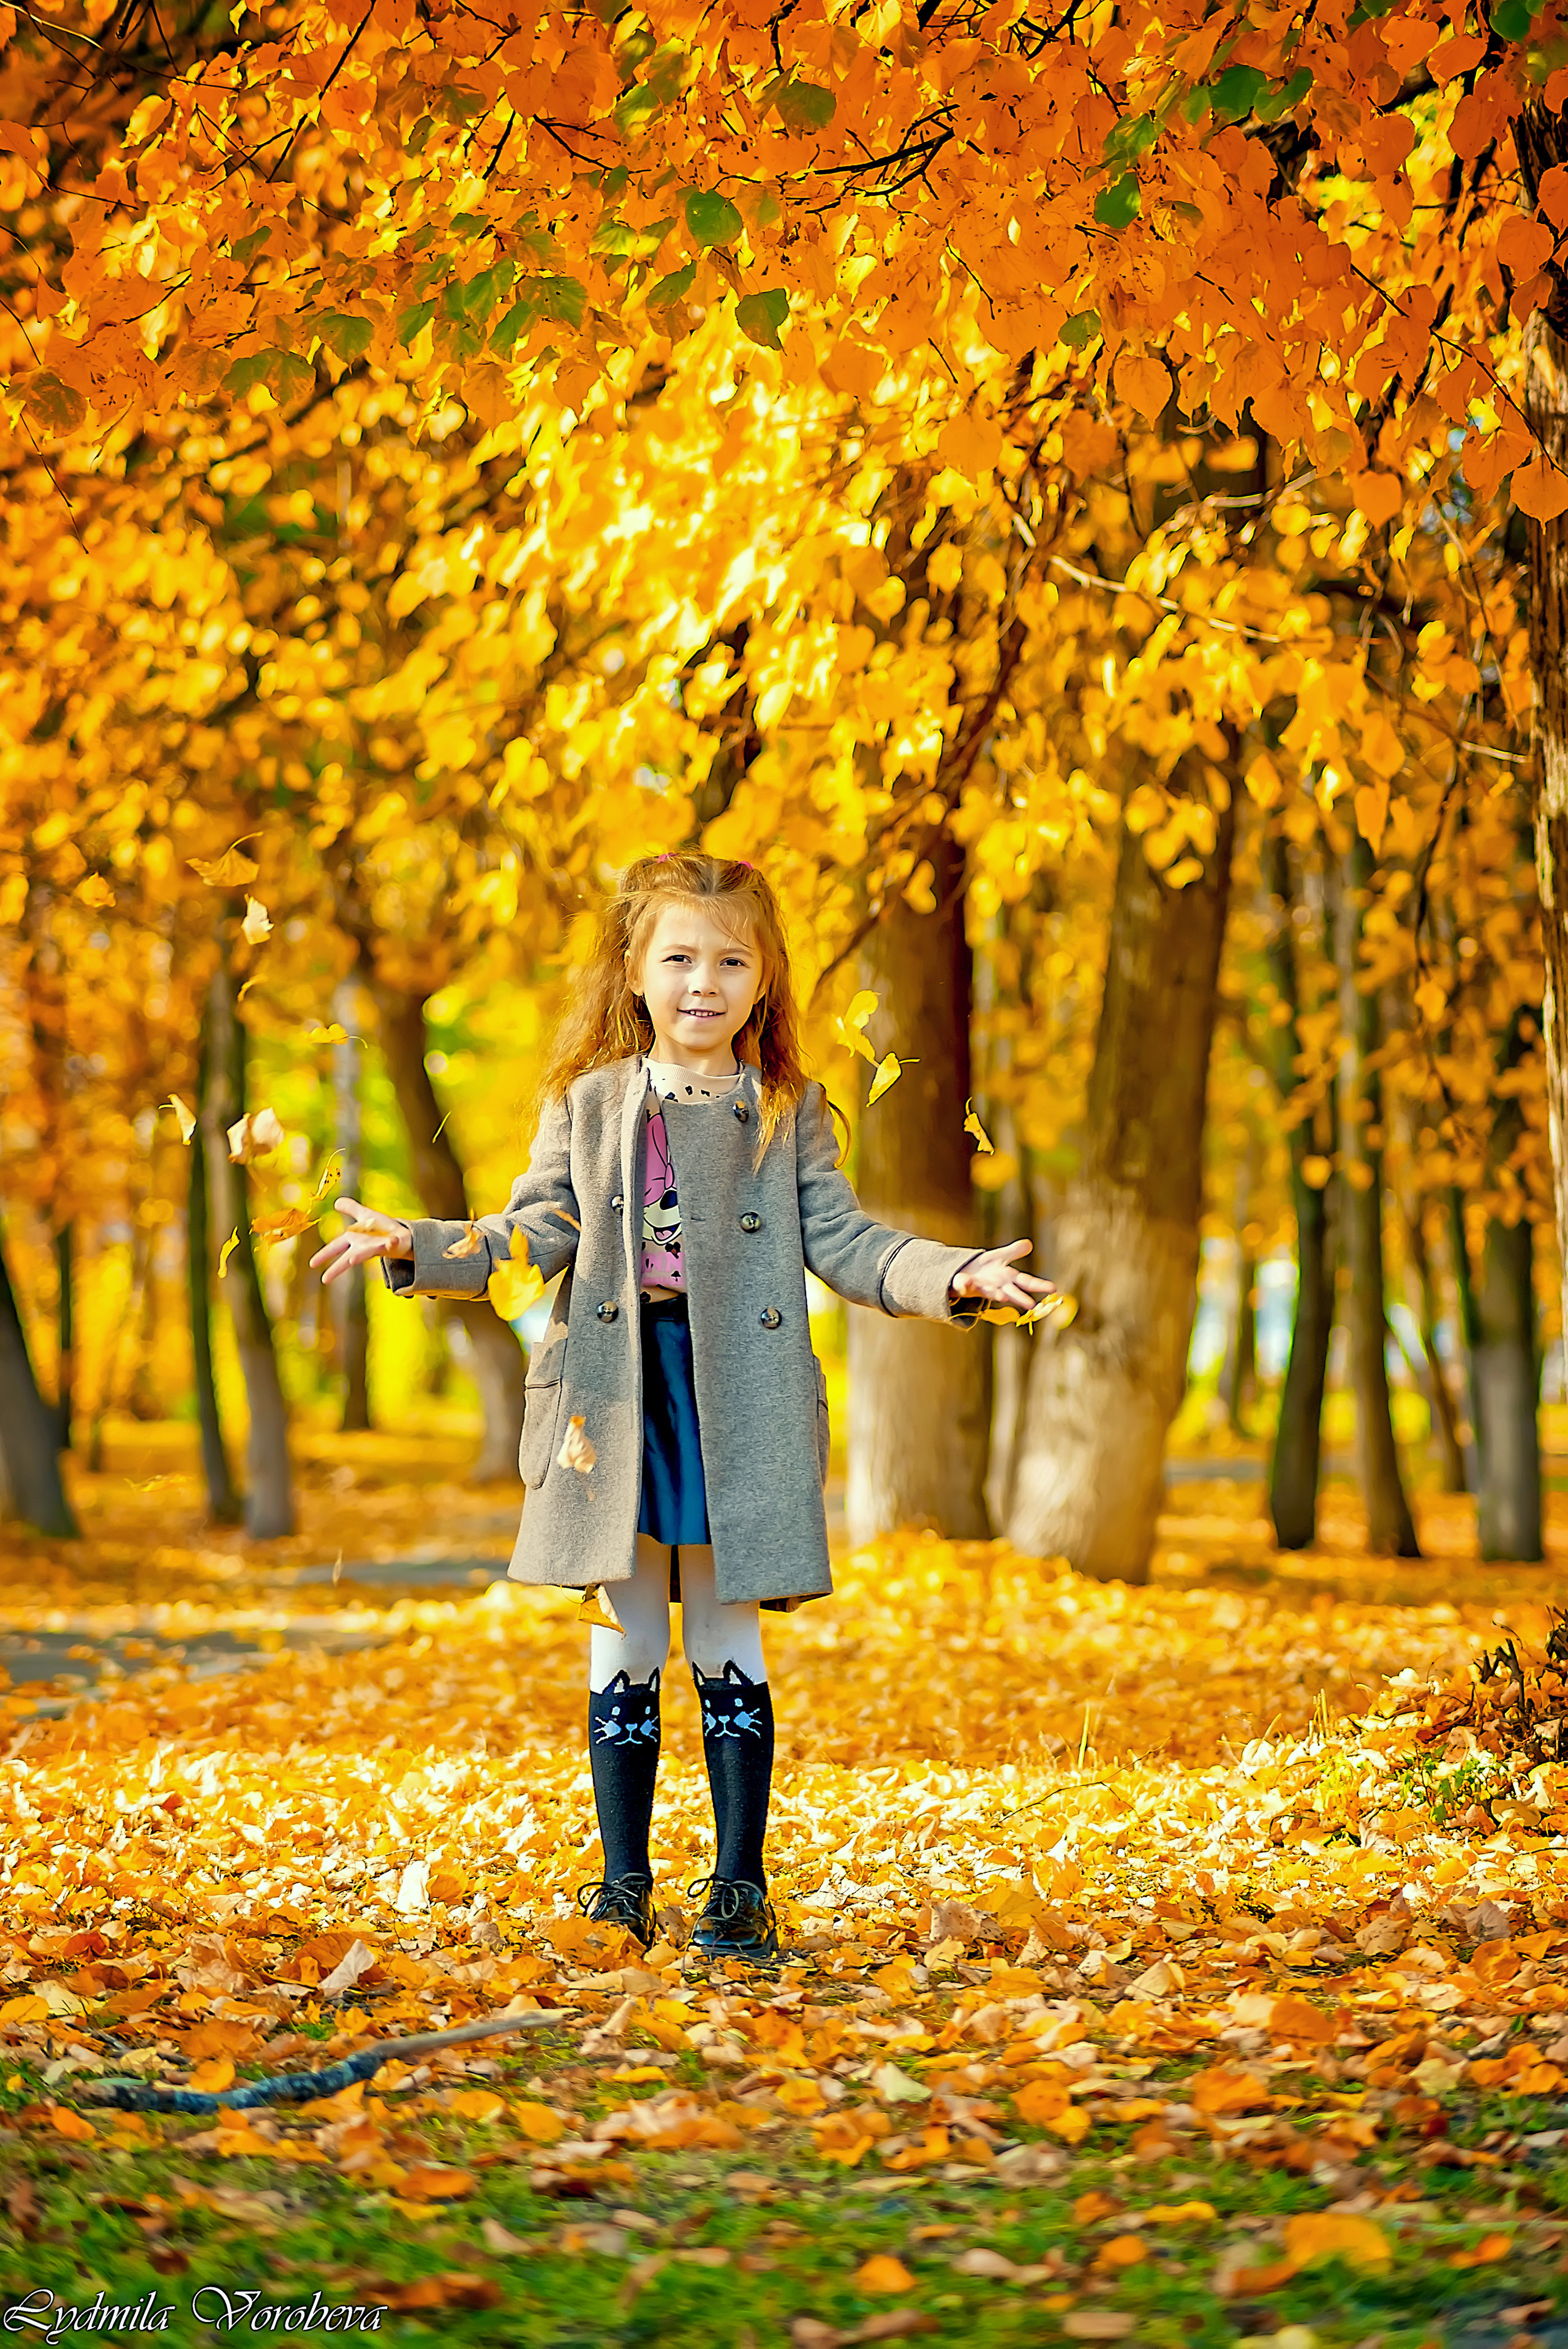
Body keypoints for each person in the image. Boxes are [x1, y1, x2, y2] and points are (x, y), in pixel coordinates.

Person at [312, 853, 1052, 1964]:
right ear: (633, 969)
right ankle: (623, 1885)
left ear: (765, 979)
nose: (704, 981)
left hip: (735, 1397)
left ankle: (740, 1887)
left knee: (721, 1626)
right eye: (679, 957)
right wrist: (425, 1245)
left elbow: (846, 1240)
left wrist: (954, 1273)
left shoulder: (788, 1111)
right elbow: (534, 1230)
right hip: (614, 1395)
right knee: (626, 1634)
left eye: (731, 961)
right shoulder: (590, 1102)